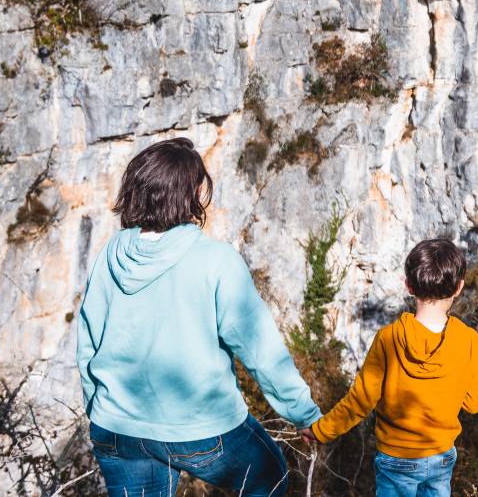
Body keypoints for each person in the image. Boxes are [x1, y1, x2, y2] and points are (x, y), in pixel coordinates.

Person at [75, 137, 322, 496]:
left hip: (117, 428)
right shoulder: (216, 260)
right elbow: (260, 350)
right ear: (191, 193)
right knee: (270, 478)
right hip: (201, 427)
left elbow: (88, 341)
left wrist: (99, 409)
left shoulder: (110, 255)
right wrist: (304, 414)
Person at [302, 239, 478, 497]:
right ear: (459, 288)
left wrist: (320, 430)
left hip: (396, 458)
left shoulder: (388, 339)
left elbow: (359, 402)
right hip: (440, 458)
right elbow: (475, 402)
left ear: (408, 286)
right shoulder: (469, 341)